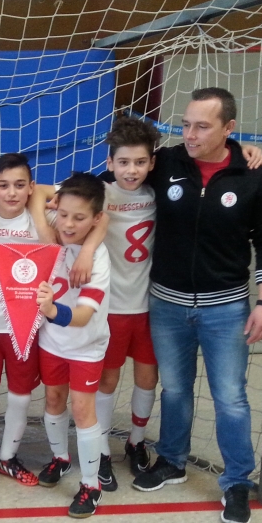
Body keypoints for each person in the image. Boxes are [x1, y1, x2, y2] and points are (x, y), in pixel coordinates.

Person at [131, 87, 262, 523]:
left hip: (226, 309)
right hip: (167, 306)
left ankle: (236, 482)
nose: (190, 134)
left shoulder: (252, 174)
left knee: (230, 397)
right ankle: (171, 460)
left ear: (228, 128)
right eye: (185, 125)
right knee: (175, 390)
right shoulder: (167, 163)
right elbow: (118, 173)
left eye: (202, 126)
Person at [0, 153, 55, 491]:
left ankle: (7, 457)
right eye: (3, 186)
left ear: (31, 187)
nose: (11, 192)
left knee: (21, 394)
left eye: (20, 185)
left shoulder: (42, 219)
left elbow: (83, 194)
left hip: (26, 326)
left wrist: (40, 199)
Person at [31, 173, 112, 518]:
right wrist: (46, 224)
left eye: (79, 218)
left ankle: (91, 485)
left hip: (85, 346)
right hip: (52, 343)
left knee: (82, 410)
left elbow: (81, 316)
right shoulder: (55, 227)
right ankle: (61, 458)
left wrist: (51, 311)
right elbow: (37, 193)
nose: (67, 223)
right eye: (63, 214)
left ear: (95, 220)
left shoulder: (98, 259)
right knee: (53, 399)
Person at [93, 116, 162, 480]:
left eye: (139, 162)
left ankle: (136, 442)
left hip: (150, 307)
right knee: (107, 380)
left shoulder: (158, 193)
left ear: (152, 163)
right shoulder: (100, 194)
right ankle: (102, 449)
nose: (131, 170)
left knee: (147, 378)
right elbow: (42, 192)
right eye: (123, 162)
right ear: (110, 163)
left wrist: (243, 149)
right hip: (111, 308)